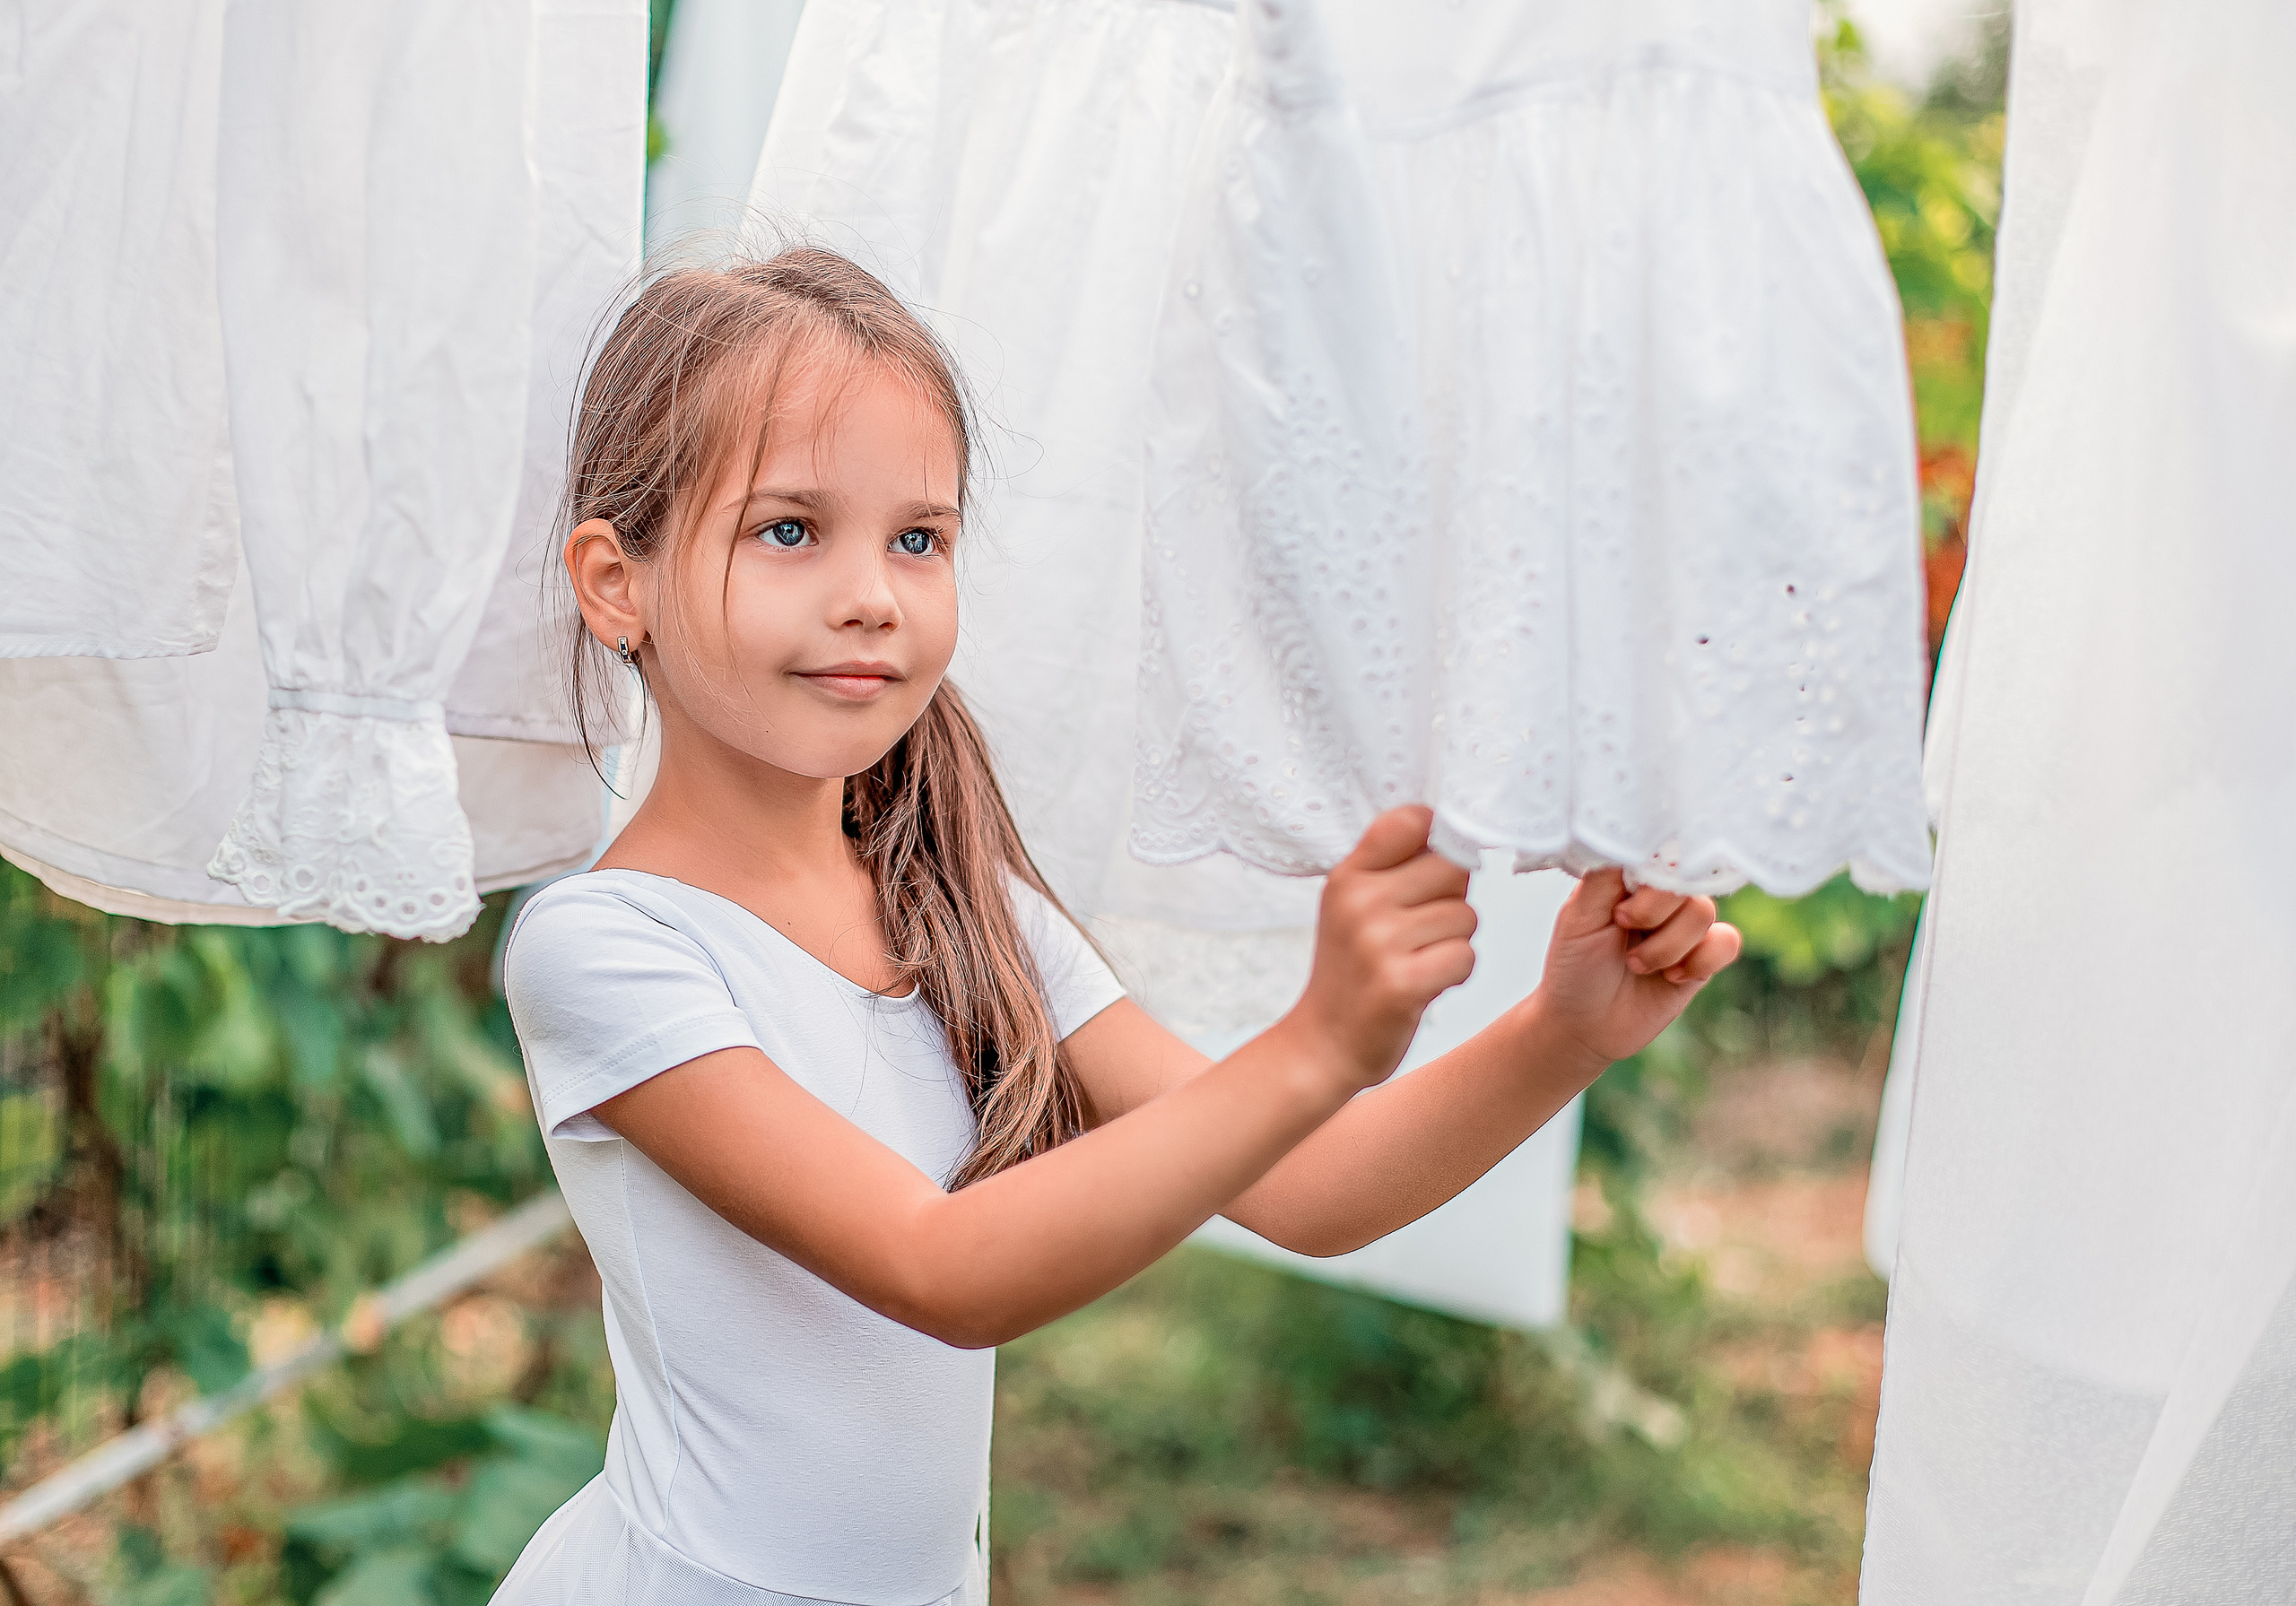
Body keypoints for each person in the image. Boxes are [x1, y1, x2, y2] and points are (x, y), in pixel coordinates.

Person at [492, 247, 1740, 1606]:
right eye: (790, 530)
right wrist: (1319, 1041)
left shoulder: (959, 908)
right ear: (616, 582)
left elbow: (1316, 1195)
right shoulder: (605, 948)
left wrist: (1562, 1033)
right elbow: (939, 1267)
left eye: (919, 537)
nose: (873, 595)